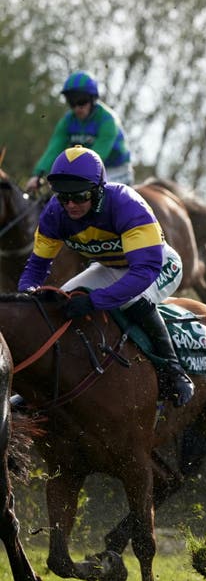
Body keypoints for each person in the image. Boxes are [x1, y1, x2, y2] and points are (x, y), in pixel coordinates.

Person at [17, 146, 193, 406]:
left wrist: (94, 301)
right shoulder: (55, 213)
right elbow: (37, 266)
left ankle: (174, 370)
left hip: (157, 266)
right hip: (110, 266)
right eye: (63, 197)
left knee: (133, 300)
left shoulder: (126, 205)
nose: (71, 205)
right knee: (59, 303)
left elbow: (142, 273)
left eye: (79, 196)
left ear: (98, 190)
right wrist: (27, 294)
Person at [24, 71, 134, 193]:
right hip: (87, 168)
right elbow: (54, 149)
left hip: (116, 169)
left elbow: (97, 156)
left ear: (93, 99)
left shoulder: (108, 120)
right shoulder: (67, 121)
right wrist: (38, 175)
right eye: (72, 102)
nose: (77, 107)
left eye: (81, 101)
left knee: (98, 194)